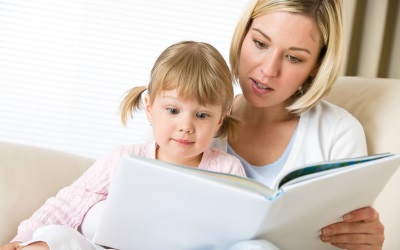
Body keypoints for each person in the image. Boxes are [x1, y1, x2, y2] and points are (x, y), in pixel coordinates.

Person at [1, 41, 246, 250]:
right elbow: (68, 203)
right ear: (150, 108)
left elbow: (240, 228)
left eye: (202, 115)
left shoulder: (227, 170)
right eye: (173, 110)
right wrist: (23, 238)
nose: (186, 125)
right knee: (56, 235)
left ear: (219, 120)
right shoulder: (123, 159)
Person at [212, 0, 385, 249]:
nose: (268, 70)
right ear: (242, 35)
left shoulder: (338, 133)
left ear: (316, 66)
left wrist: (367, 245)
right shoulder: (192, 117)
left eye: (293, 58)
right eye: (260, 43)